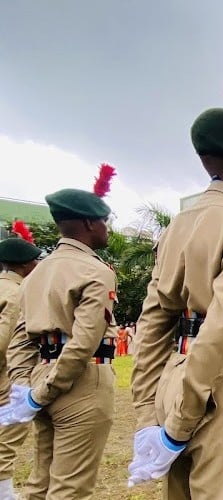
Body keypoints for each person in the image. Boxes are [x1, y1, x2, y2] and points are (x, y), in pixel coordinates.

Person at [127, 71, 223, 499]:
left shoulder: (178, 225)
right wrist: (179, 424)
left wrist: (146, 415)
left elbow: (153, 320)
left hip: (173, 375)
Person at [1, 187, 118, 500]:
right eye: (105, 222)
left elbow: (19, 341)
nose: (107, 229)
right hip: (82, 379)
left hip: (41, 372)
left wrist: (25, 388)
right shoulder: (95, 271)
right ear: (90, 224)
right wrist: (42, 393)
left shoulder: (36, 275)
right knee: (71, 486)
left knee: (41, 481)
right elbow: (84, 342)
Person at [0, 234, 41, 499]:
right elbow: (5, 340)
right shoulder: (16, 293)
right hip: (6, 379)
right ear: (25, 264)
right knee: (5, 444)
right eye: (36, 260)